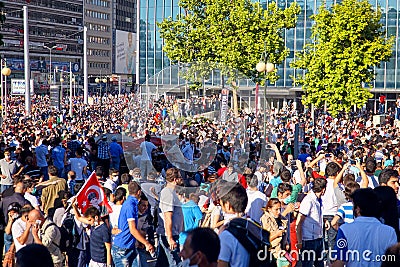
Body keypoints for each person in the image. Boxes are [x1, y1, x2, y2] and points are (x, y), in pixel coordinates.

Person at [332, 188, 397, 267]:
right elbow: (393, 261)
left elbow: (339, 262)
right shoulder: (390, 231)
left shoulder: (345, 230)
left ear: (357, 209)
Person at [112, 181, 155, 267]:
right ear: (139, 192)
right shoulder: (130, 205)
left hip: (130, 246)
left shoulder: (131, 203)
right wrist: (147, 243)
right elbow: (132, 229)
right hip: (122, 248)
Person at [156, 167, 184, 267]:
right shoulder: (168, 193)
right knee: (175, 263)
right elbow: (168, 217)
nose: (182, 179)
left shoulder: (171, 193)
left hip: (172, 233)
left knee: (163, 262)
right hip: (169, 235)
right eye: (180, 177)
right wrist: (170, 237)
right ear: (175, 179)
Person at [296, 178, 327, 267]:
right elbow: (299, 221)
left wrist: (324, 221)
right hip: (309, 240)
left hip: (318, 237)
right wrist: (299, 241)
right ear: (323, 189)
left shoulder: (318, 200)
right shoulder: (308, 200)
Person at [217, 182, 250, 267]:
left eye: (221, 202)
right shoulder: (253, 224)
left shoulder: (227, 232)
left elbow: (222, 264)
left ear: (227, 205)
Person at [260, 198, 290, 266]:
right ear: (269, 209)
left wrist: (286, 242)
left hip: (281, 252)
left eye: (280, 209)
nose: (279, 212)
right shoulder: (265, 219)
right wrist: (277, 234)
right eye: (276, 209)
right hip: (271, 254)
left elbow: (284, 233)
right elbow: (265, 239)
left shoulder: (281, 219)